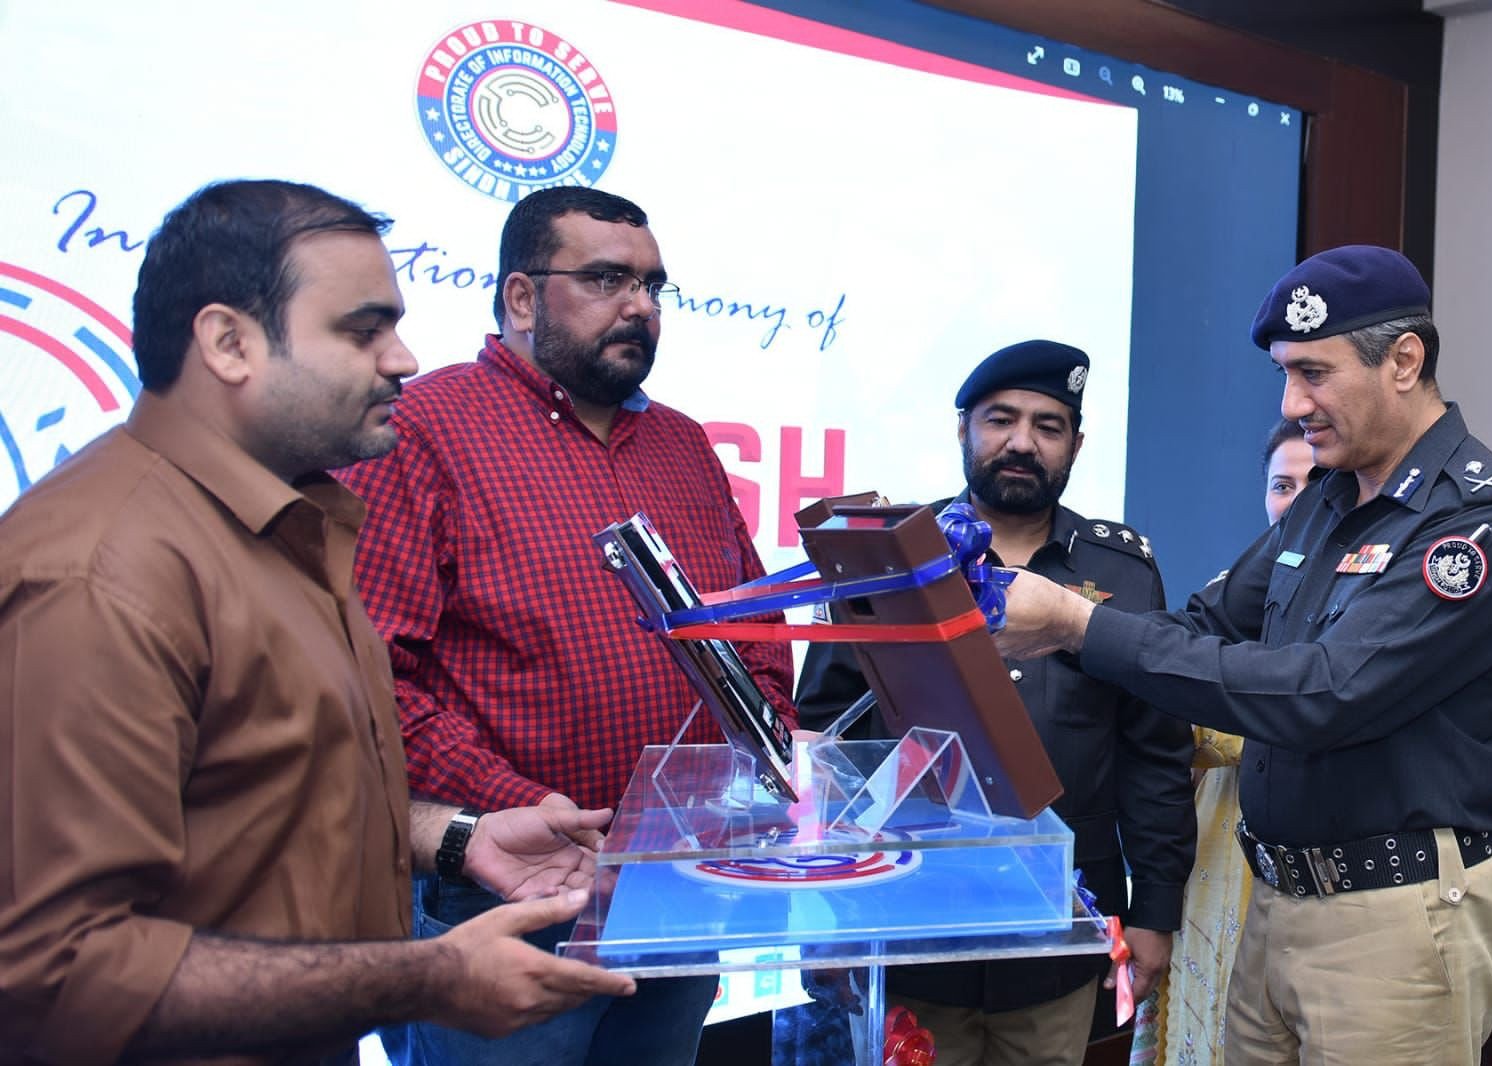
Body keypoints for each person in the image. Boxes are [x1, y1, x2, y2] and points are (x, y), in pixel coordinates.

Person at [0, 179, 636, 1066]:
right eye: (362, 330)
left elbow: (271, 797)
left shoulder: (288, 529)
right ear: (228, 342)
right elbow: (52, 973)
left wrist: (462, 837)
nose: (403, 359)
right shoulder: (100, 577)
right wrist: (423, 977)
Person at [995, 246, 1492, 1065]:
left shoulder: (1480, 522)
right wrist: (1044, 634)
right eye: (1285, 375)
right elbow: (1206, 626)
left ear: (1405, 362)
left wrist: (1076, 625)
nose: (1293, 405)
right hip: (1274, 905)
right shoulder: (1328, 497)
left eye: (1314, 374)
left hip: (1395, 921)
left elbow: (1322, 694)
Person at [336, 186, 796, 1066]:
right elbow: (368, 677)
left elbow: (753, 626)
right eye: (607, 279)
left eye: (653, 286)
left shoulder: (683, 444)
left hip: (682, 881)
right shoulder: (421, 430)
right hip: (507, 891)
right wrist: (512, 809)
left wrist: (762, 748)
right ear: (521, 298)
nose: (640, 306)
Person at [793, 340, 1196, 1066]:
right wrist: (827, 910)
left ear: (1076, 444)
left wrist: (1156, 909)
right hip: (908, 924)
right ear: (963, 429)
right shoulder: (886, 559)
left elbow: (1154, 753)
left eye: (1048, 426)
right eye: (1001, 420)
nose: (1021, 442)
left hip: (1061, 929)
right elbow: (826, 741)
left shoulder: (1123, 570)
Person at [1130, 417, 1315, 1066]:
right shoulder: (1229, 593)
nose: (1297, 500)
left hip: (1318, 856)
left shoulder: (1366, 598)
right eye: (1283, 485)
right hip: (1217, 845)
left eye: (1317, 482)